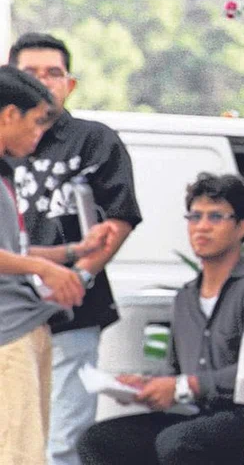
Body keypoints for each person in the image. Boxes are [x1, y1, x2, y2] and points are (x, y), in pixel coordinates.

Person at [77, 173, 244, 465]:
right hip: (198, 416)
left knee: (178, 443)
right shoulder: (184, 298)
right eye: (195, 217)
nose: (202, 227)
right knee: (99, 440)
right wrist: (143, 386)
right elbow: (176, 371)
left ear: (242, 227)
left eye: (215, 217)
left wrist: (188, 386)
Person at [6, 32, 143, 465]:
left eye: (55, 73)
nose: (45, 83)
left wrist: (75, 268)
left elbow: (118, 220)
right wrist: (47, 270)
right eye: (32, 74)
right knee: (19, 442)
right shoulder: (9, 153)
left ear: (72, 82)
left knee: (62, 440)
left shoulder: (94, 140)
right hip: (11, 320)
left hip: (71, 311)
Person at [0, 66, 114, 465]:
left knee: (35, 448)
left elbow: (15, 249)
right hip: (7, 333)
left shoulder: (7, 174)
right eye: (35, 123)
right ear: (8, 114)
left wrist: (72, 252)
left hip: (26, 326)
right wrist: (50, 272)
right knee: (19, 454)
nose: (39, 135)